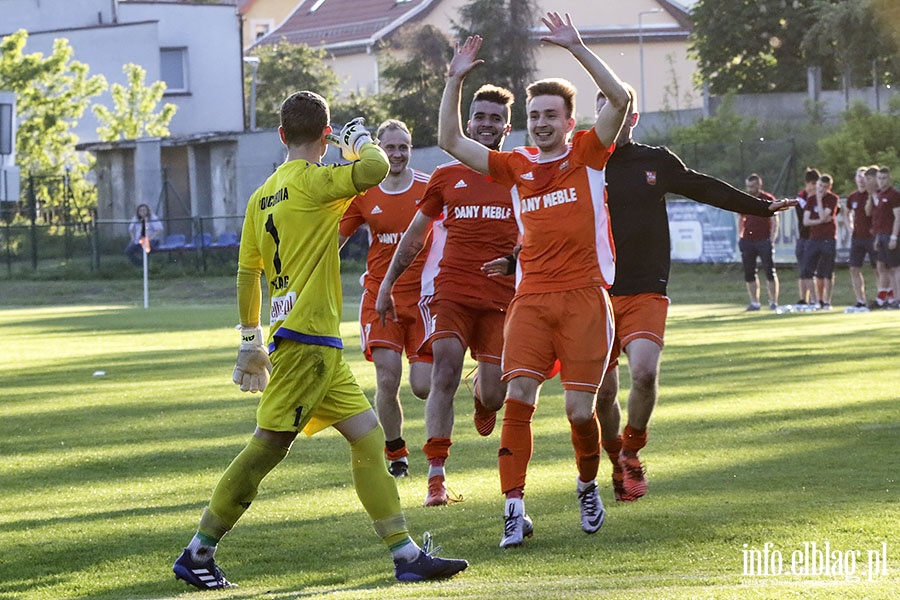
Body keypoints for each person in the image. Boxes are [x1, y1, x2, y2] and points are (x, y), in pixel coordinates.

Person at [171, 92, 467, 590]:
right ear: (326, 136)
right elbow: (373, 169)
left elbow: (248, 272)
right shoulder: (316, 181)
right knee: (266, 448)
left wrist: (249, 339)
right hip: (308, 340)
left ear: (281, 135)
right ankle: (198, 551)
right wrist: (359, 141)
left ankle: (406, 554)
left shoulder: (262, 194)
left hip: (312, 343)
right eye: (334, 136)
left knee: (370, 437)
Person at [438, 12, 630, 548]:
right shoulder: (515, 164)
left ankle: (587, 485)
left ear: (570, 122)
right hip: (530, 300)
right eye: (535, 114)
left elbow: (621, 101)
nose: (541, 122)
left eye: (551, 115)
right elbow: (450, 138)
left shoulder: (590, 155)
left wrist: (577, 47)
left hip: (586, 299)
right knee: (516, 397)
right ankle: (513, 508)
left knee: (578, 410)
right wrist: (454, 77)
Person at [375, 85, 519, 507]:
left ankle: (482, 395)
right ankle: (435, 478)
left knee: (495, 394)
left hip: (500, 297)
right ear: (468, 122)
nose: (486, 124)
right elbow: (415, 236)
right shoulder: (445, 175)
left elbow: (541, 231)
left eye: (495, 118)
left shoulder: (519, 172)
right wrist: (386, 283)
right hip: (450, 291)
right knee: (443, 373)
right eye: (480, 117)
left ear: (507, 127)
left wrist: (515, 261)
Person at [339, 119, 433, 479]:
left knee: (422, 386)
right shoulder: (365, 193)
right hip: (379, 297)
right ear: (379, 148)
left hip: (423, 299)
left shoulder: (428, 188)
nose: (396, 153)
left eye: (403, 147)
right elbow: (337, 239)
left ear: (411, 149)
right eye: (390, 147)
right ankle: (397, 454)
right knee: (387, 378)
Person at [739, 174, 780, 311]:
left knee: (770, 272)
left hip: (764, 240)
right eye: (748, 186)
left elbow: (775, 220)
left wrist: (772, 238)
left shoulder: (768, 199)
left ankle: (773, 302)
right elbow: (740, 219)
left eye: (753, 186)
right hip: (747, 240)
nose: (750, 189)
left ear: (759, 185)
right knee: (749, 273)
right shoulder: (744, 199)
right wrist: (740, 236)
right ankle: (755, 302)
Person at [801, 174, 840, 309]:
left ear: (829, 187)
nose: (821, 189)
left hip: (828, 238)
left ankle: (827, 301)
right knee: (807, 270)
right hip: (814, 238)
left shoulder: (833, 199)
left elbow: (825, 215)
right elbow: (806, 221)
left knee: (827, 272)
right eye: (819, 186)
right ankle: (814, 300)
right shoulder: (810, 200)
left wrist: (819, 199)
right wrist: (819, 221)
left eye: (824, 187)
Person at [846, 166, 876, 310]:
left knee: (878, 268)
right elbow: (846, 213)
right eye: (859, 176)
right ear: (855, 178)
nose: (861, 179)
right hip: (857, 237)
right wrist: (849, 226)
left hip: (872, 237)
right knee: (854, 268)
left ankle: (881, 297)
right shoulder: (853, 197)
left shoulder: (873, 195)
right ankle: (860, 300)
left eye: (864, 177)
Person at [870, 166, 900, 309]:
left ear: (889, 179)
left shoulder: (894, 195)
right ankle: (889, 297)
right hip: (881, 235)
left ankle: (898, 298)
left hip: (890, 235)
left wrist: (894, 236)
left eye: (884, 178)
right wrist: (877, 238)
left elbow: (897, 217)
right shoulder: (880, 195)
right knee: (884, 267)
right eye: (879, 178)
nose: (881, 181)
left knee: (895, 268)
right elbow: (878, 219)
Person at [793, 168, 820, 306]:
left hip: (817, 238)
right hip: (804, 237)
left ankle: (816, 299)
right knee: (803, 270)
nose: (816, 187)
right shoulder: (801, 198)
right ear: (808, 184)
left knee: (810, 271)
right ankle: (804, 299)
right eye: (813, 184)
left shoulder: (822, 197)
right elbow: (805, 215)